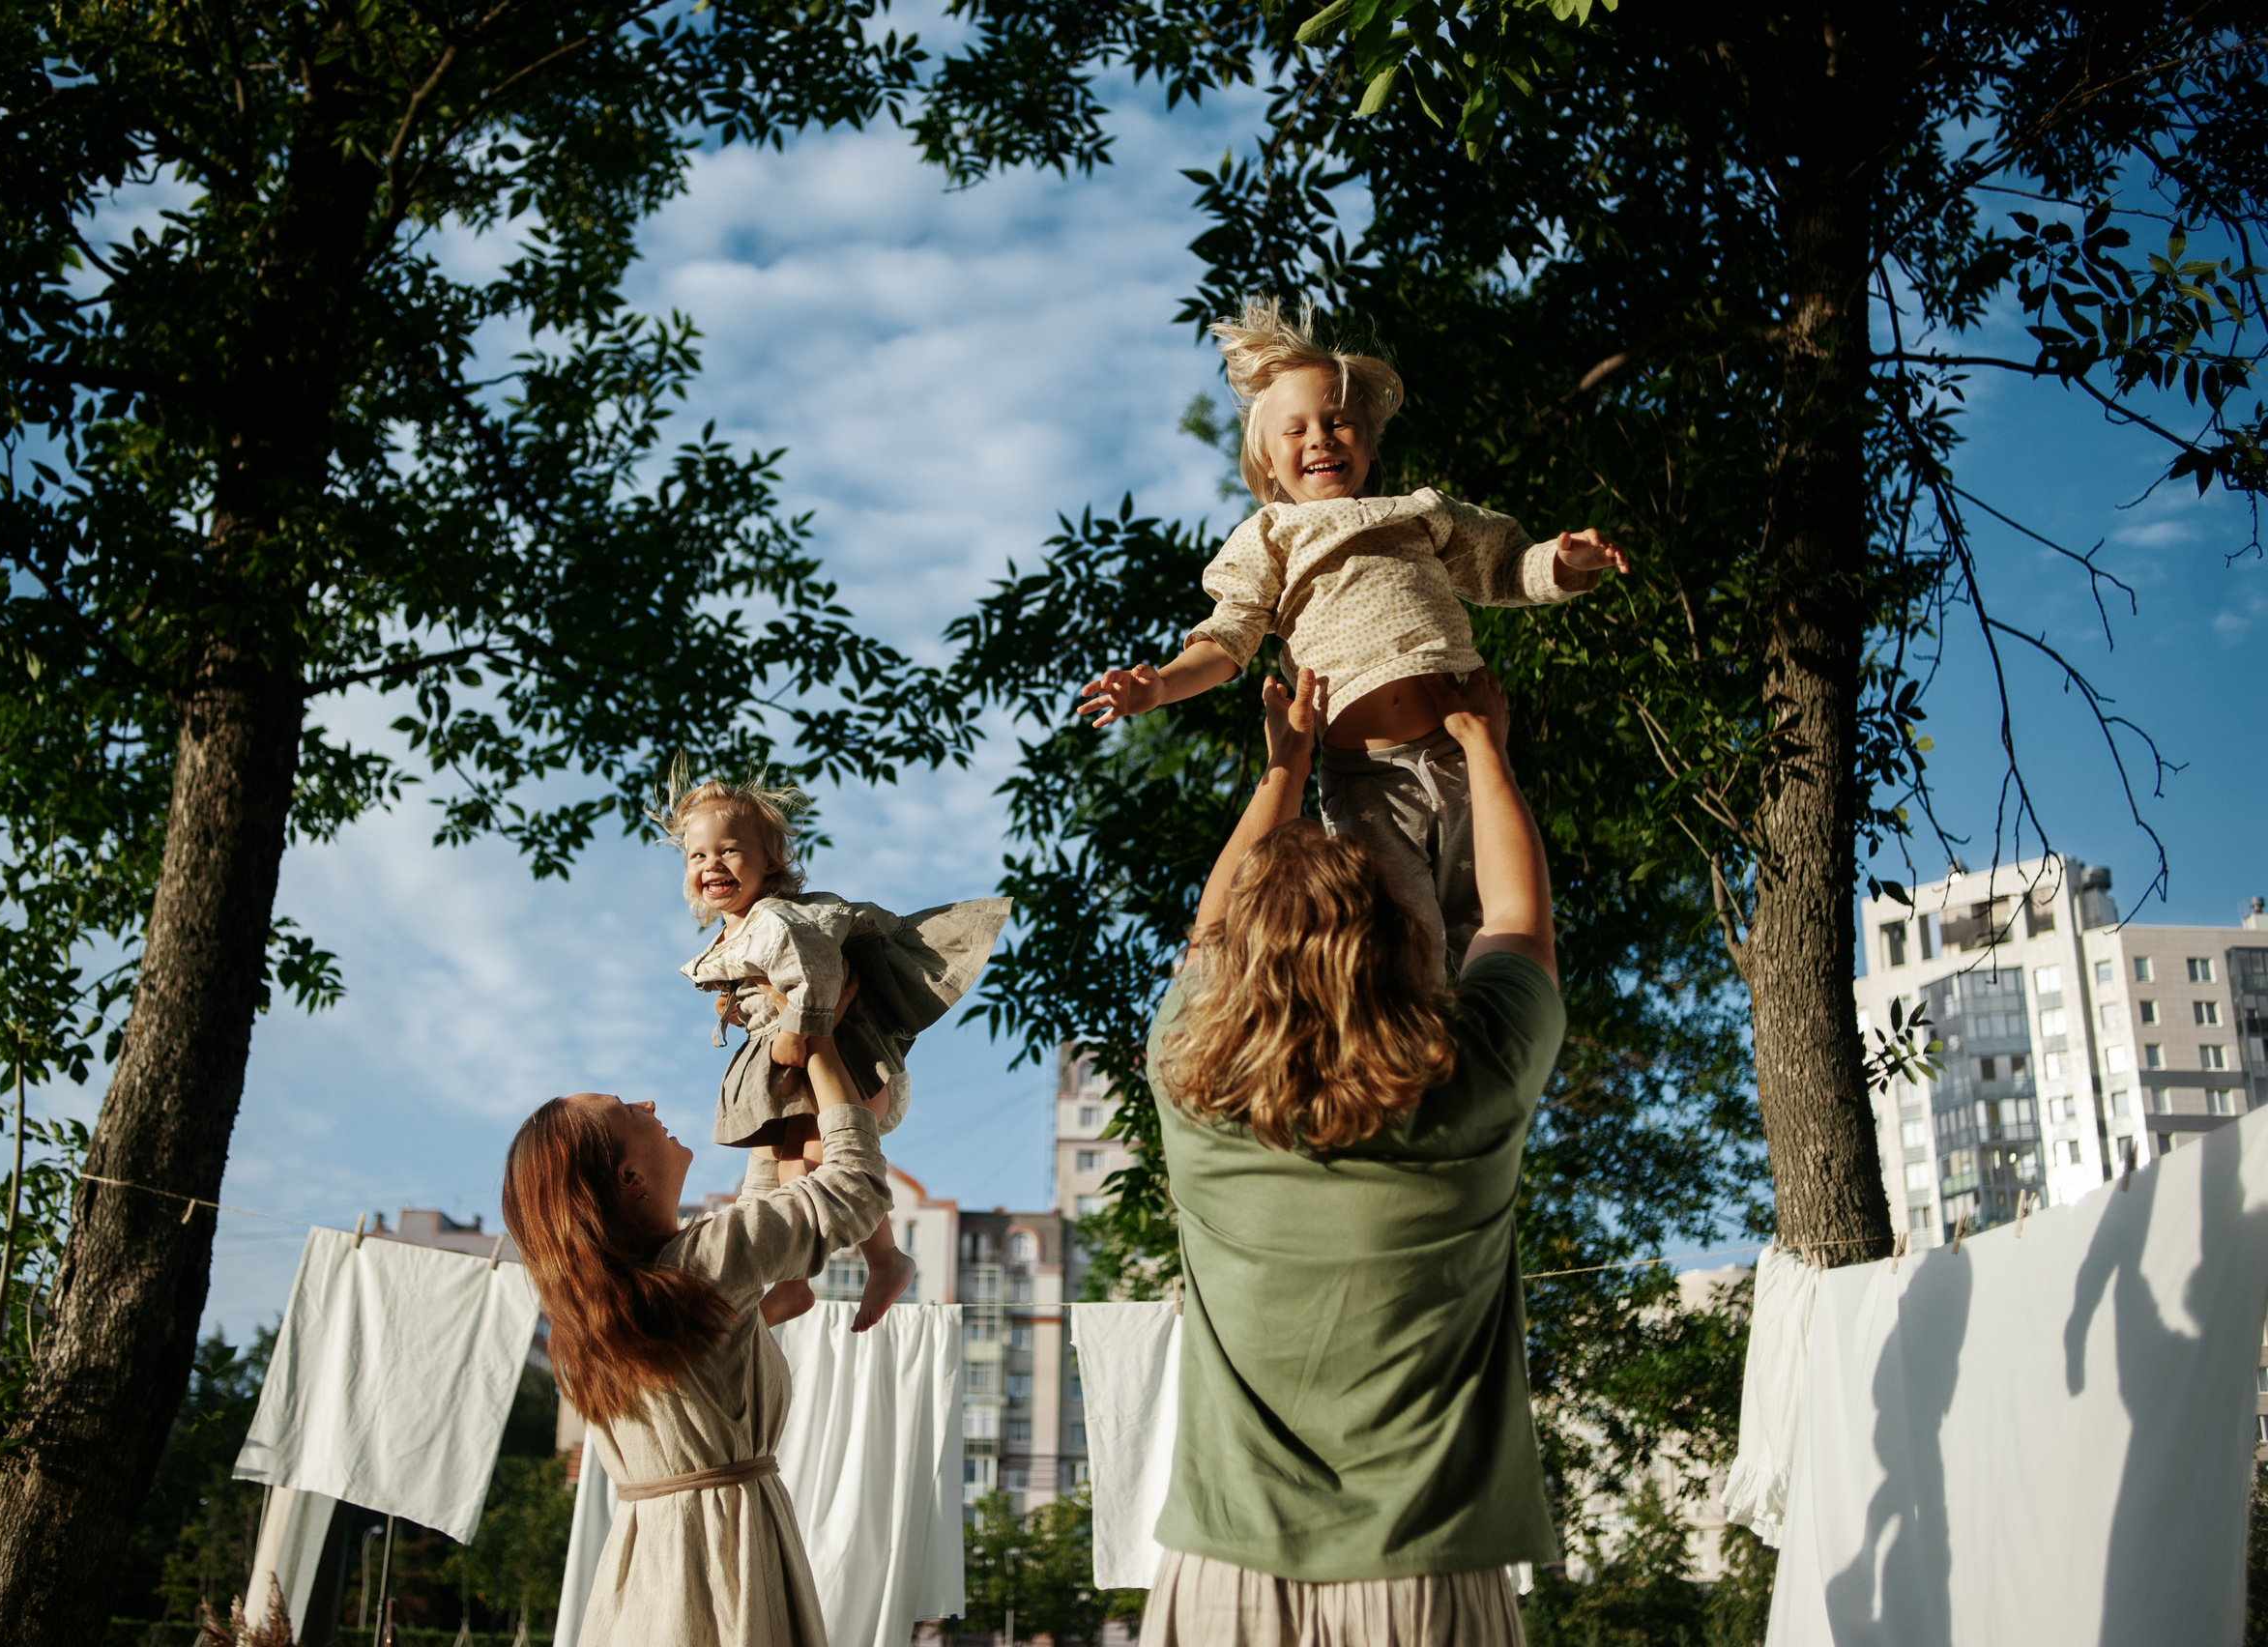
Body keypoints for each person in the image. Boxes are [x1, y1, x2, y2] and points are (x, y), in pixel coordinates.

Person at [1138, 661, 1565, 1646]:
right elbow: (1513, 926)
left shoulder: (1190, 1090)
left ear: (1235, 964)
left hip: (1222, 1582)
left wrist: (1282, 770)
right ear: (1400, 945)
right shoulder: (1474, 1079)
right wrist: (1480, 750)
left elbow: (1207, 934)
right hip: (1428, 1577)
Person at [1079, 298, 1625, 969]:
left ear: (1368, 438)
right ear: (1268, 465)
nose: (1320, 438)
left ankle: (1491, 1041)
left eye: (1339, 422)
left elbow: (1506, 569)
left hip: (1461, 751)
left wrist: (1564, 563)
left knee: (1491, 924)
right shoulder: (1270, 535)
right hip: (1364, 781)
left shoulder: (1420, 512)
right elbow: (1227, 641)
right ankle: (1418, 1056)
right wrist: (1158, 686)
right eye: (1296, 430)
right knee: (1407, 945)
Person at [499, 1018, 885, 1646]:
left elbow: (756, 1216)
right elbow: (853, 1191)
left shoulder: (605, 1318)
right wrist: (822, 1046)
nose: (648, 1104)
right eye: (627, 1111)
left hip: (646, 1575)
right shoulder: (699, 1265)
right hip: (724, 1559)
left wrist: (772, 1073)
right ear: (629, 1180)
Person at [665, 775, 1008, 1329]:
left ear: (769, 860)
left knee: (825, 1165)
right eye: (698, 854)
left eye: (730, 849)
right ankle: (824, 1275)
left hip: (845, 1057)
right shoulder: (734, 938)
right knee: (792, 1172)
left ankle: (868, 1265)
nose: (713, 863)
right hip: (804, 1070)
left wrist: (798, 1029)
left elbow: (820, 971)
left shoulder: (777, 919)